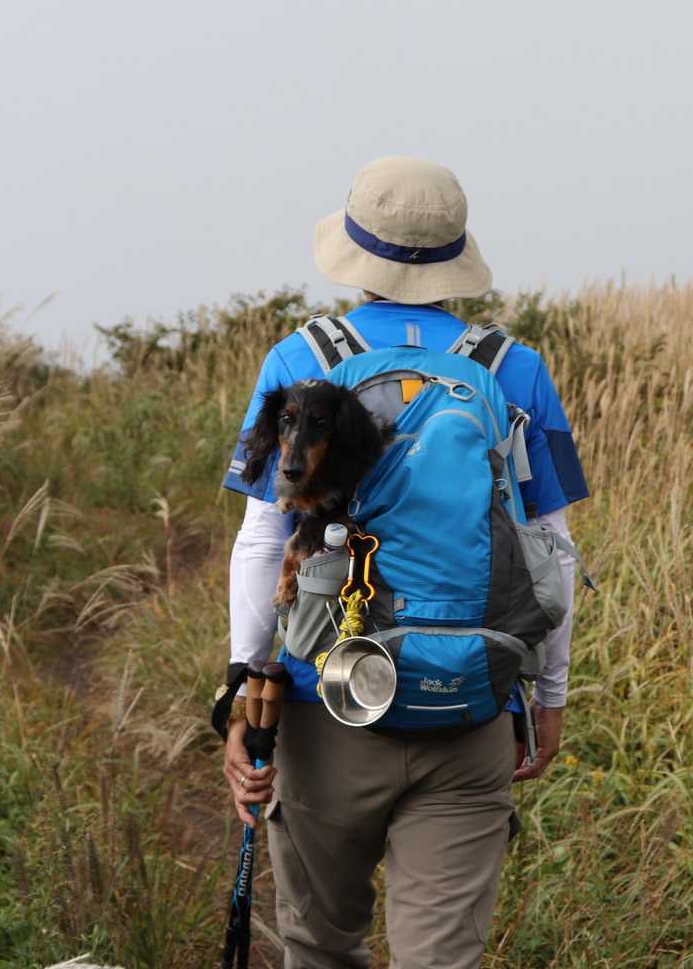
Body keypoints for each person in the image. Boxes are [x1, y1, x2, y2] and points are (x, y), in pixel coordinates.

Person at [218, 156, 589, 969]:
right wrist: (551, 697)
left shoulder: (300, 360)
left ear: (355, 254)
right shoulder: (514, 368)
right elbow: (553, 551)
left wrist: (247, 689)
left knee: (321, 945)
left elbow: (262, 540)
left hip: (326, 702)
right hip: (472, 702)